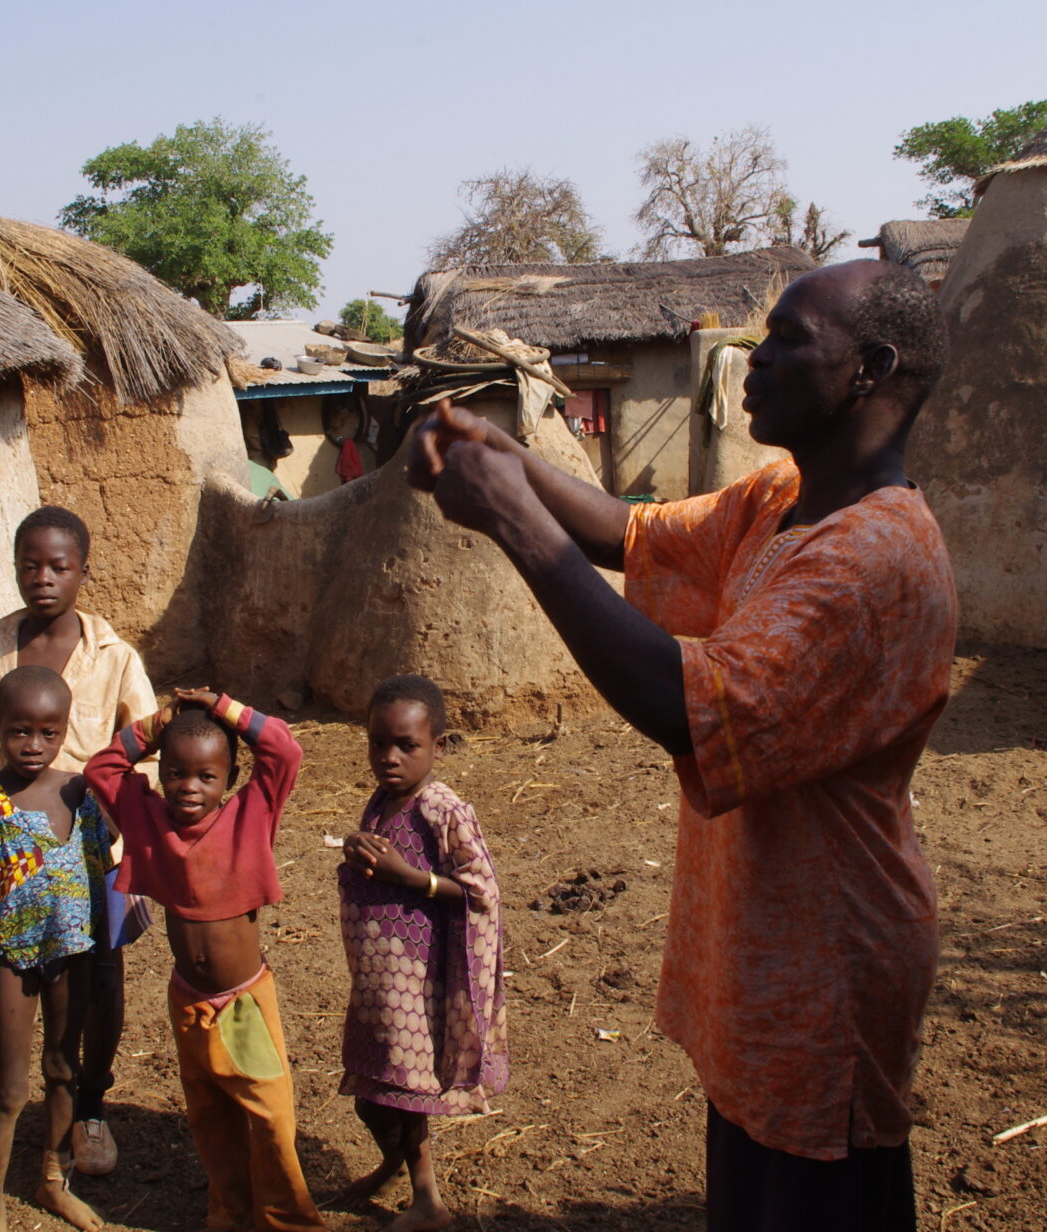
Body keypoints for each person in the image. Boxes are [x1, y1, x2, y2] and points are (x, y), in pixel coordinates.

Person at [408, 261, 957, 1231]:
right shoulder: (786, 498)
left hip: (828, 964)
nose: (757, 358)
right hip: (767, 945)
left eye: (791, 339)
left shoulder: (877, 560)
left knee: (815, 1197)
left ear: (870, 369)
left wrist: (512, 519)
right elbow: (637, 532)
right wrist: (505, 454)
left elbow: (684, 702)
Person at [0, 504, 155, 1172]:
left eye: (58, 566)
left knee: (101, 982)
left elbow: (147, 747)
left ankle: (89, 1106)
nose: (43, 578)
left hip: (94, 856)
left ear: (83, 573)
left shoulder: (114, 659)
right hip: (7, 864)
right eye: (29, 565)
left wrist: (124, 828)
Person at [84, 688, 326, 1232]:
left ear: (231, 778)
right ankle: (230, 1213)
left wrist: (226, 708)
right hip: (187, 999)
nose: (188, 788)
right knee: (210, 1118)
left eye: (206, 777)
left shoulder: (251, 816)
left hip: (243, 1002)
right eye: (175, 773)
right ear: (161, 771)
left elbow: (285, 752)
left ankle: (289, 1220)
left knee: (269, 1118)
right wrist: (158, 721)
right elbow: (103, 766)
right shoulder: (148, 821)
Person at [0, 666, 114, 1232]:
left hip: (74, 954)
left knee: (64, 1069)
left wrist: (104, 957)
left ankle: (52, 1181)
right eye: (19, 731)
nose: (34, 745)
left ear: (65, 729)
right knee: (13, 1090)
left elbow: (101, 877)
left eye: (48, 732)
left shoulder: (80, 793)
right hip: (9, 960)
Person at [335, 674, 506, 1232]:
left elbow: (481, 890)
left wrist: (413, 879)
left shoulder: (443, 808)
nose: (389, 757)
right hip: (380, 978)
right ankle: (393, 1168)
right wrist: (360, 850)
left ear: (438, 745)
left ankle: (428, 1202)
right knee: (371, 1095)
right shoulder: (382, 802)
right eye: (378, 742)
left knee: (404, 1094)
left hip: (420, 980)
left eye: (406, 745)